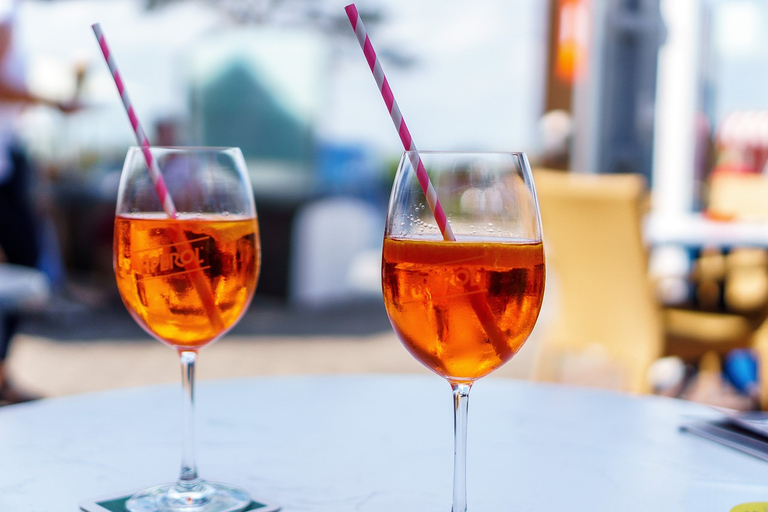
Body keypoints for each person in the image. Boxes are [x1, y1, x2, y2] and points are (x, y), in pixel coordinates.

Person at [0, 0, 79, 405]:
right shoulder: (7, 11)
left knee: (19, 270)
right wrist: (52, 101)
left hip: (10, 155)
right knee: (19, 269)